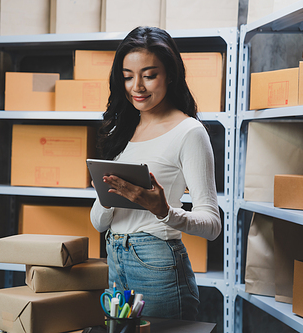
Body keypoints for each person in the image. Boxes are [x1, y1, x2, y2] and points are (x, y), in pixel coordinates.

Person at [90, 26, 221, 321]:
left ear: (170, 74)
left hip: (156, 261)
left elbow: (212, 225)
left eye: (149, 75)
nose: (137, 86)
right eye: (127, 76)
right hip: (115, 257)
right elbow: (98, 224)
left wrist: (163, 210)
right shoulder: (120, 130)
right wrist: (106, 196)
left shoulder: (189, 132)